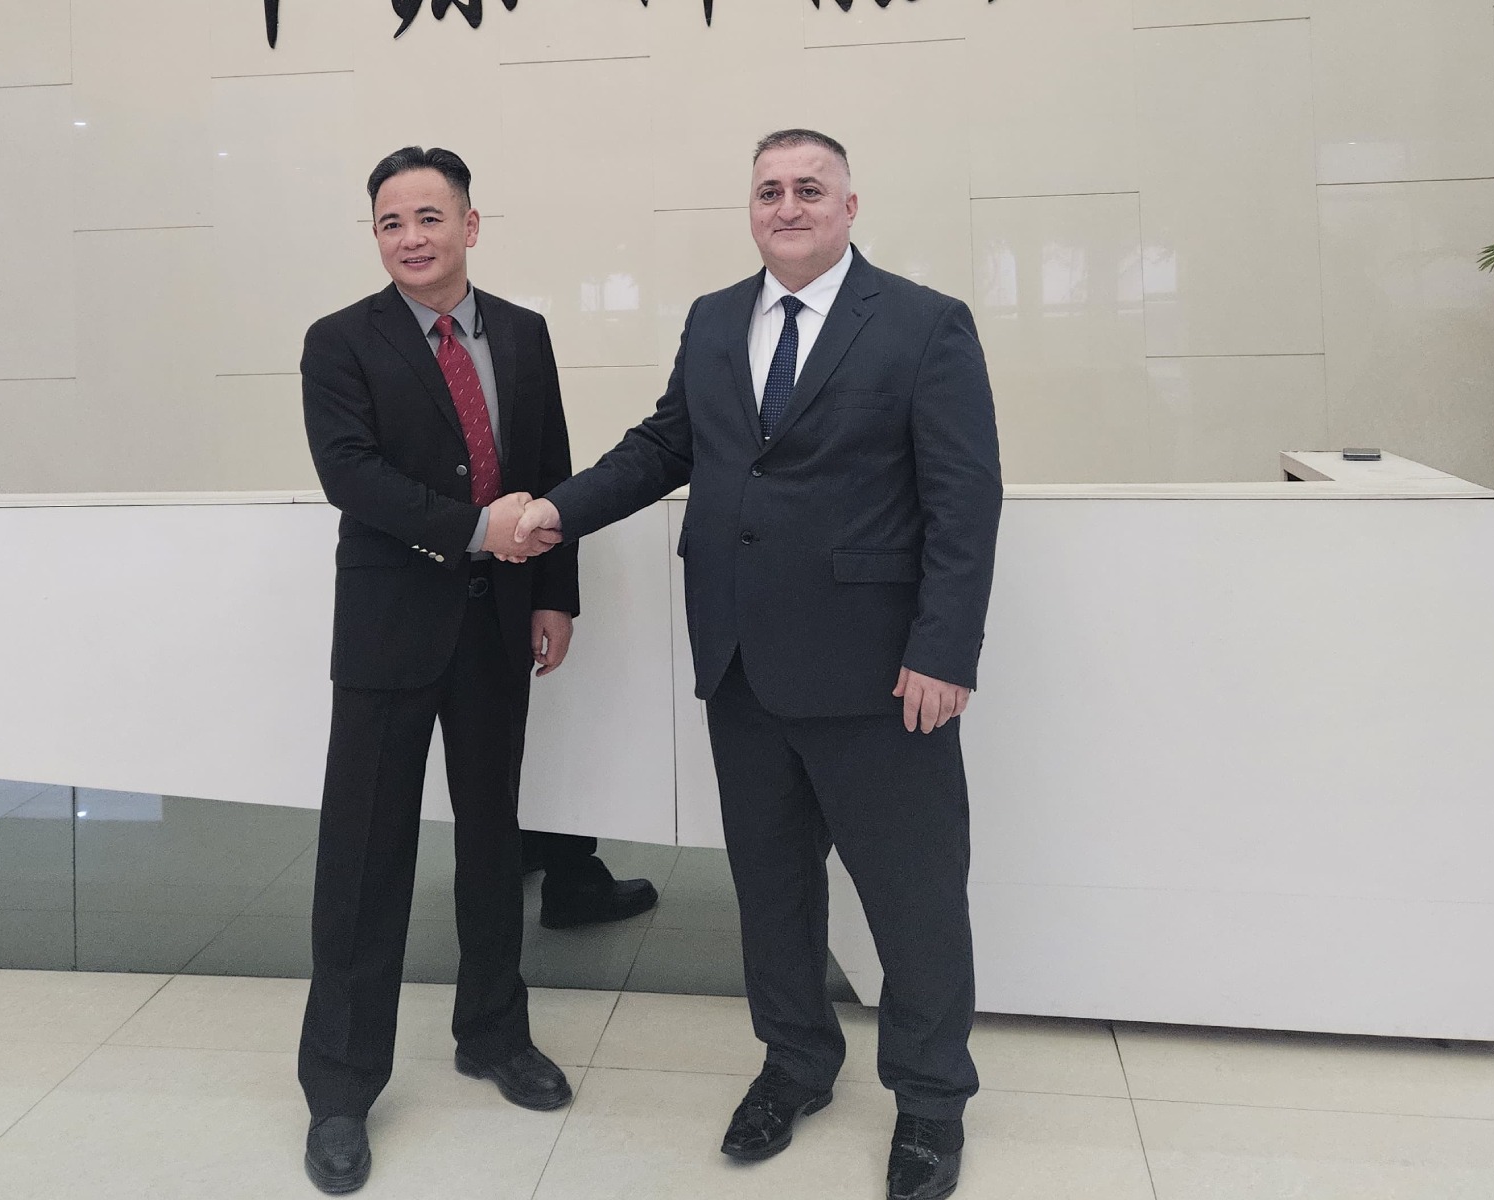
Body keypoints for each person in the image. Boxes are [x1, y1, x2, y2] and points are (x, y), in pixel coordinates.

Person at [513, 129, 1002, 1200]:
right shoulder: (713, 319)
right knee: (772, 893)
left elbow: (966, 501)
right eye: (769, 190)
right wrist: (556, 511)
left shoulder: (923, 324)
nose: (787, 205)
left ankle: (930, 1100)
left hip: (881, 677)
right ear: (751, 208)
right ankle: (794, 1064)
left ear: (849, 206)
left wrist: (942, 650)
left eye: (808, 189)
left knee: (914, 900)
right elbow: (663, 447)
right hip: (741, 664)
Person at [296, 145, 654, 1195]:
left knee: (496, 839)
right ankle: (340, 1087)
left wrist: (553, 594)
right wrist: (474, 531)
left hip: (498, 624)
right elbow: (349, 475)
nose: (410, 237)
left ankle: (494, 1033)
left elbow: (549, 466)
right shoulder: (339, 341)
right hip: (389, 630)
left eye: (428, 217)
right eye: (390, 222)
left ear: (470, 225)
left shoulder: (525, 333)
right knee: (364, 858)